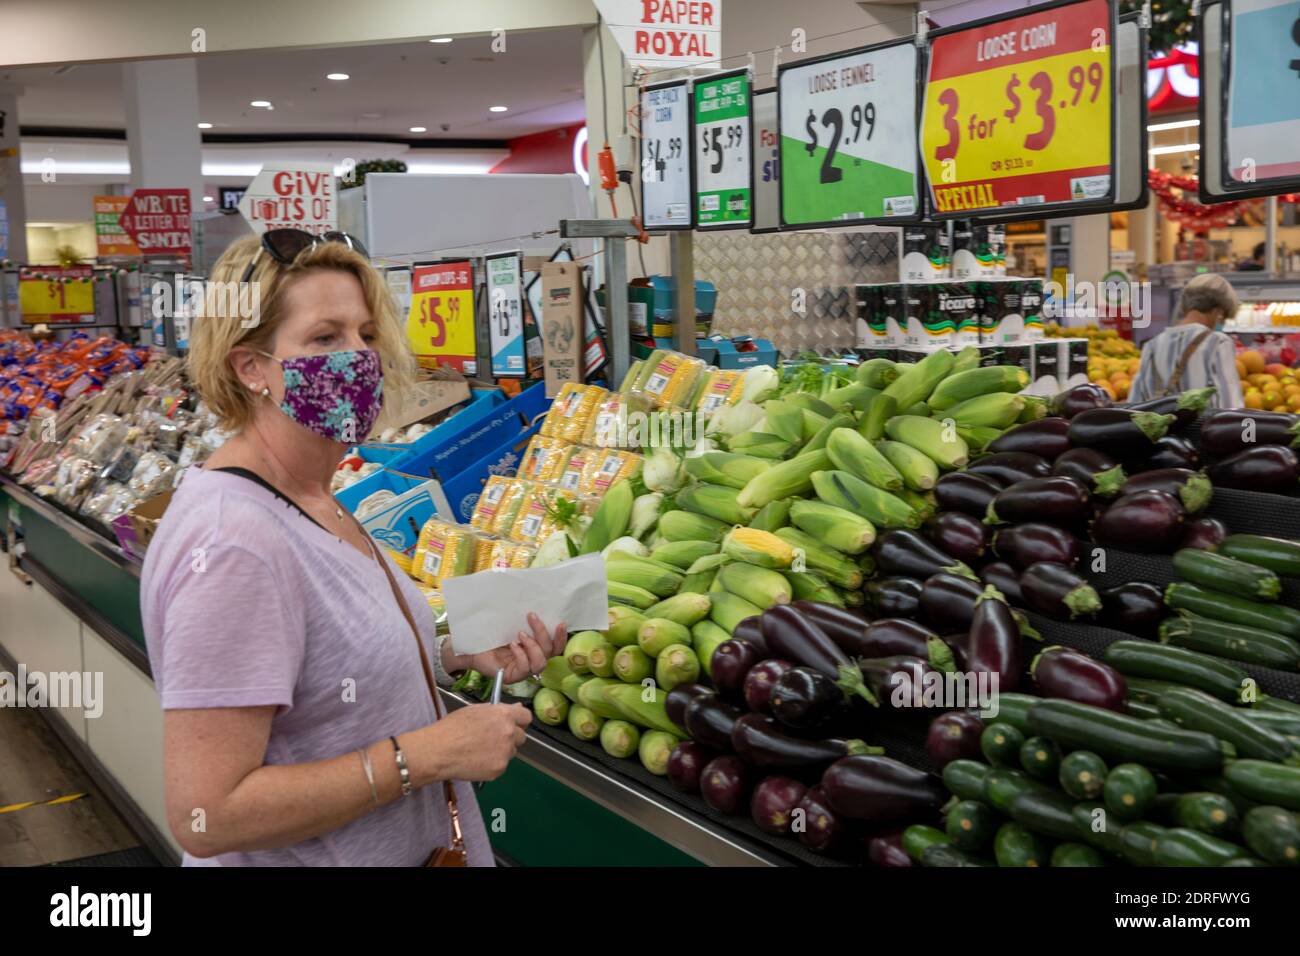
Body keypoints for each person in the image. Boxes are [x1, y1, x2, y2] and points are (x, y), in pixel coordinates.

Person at [140, 231, 566, 866]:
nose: (359, 357)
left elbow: (322, 674)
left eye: (366, 334)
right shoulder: (235, 544)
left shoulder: (313, 494)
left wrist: (450, 654)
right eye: (324, 338)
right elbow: (208, 814)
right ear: (250, 366)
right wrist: (429, 756)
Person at [1127, 272, 1244, 409]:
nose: (1221, 322)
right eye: (1224, 317)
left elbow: (1133, 405)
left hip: (1161, 430)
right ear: (1218, 311)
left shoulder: (1152, 346)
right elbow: (1230, 407)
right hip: (1201, 430)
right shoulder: (1217, 343)